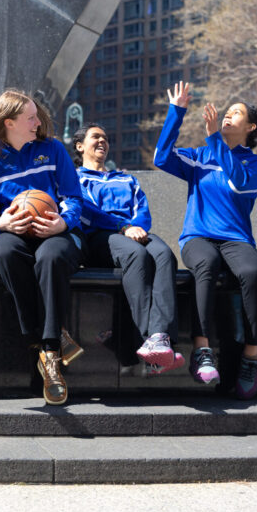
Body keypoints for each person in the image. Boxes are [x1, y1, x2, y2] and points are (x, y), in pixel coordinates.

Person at [153, 81, 257, 400]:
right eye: (227, 112)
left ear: (251, 127)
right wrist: (176, 112)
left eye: (236, 114)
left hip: (236, 239)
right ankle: (201, 350)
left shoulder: (256, 163)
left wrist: (215, 138)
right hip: (198, 236)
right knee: (205, 264)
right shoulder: (200, 157)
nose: (228, 116)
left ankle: (251, 355)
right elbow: (161, 158)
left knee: (251, 271)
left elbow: (239, 182)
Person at [0, 90, 84, 406]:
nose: (38, 121)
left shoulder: (52, 149)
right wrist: (1, 224)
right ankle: (50, 336)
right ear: (10, 122)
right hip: (13, 232)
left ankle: (48, 353)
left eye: (37, 115)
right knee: (4, 252)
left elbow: (73, 197)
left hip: (52, 230)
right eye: (31, 117)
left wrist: (63, 223)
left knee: (52, 256)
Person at [72, 123, 184, 376]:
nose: (102, 141)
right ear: (80, 146)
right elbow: (86, 213)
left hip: (132, 233)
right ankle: (148, 339)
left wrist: (137, 228)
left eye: (106, 137)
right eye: (95, 137)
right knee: (137, 254)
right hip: (101, 238)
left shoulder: (126, 178)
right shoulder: (75, 178)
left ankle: (161, 338)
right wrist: (123, 227)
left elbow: (142, 210)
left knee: (165, 254)